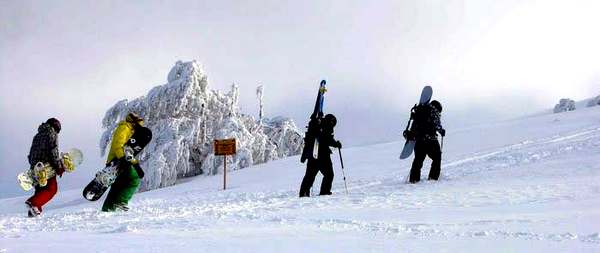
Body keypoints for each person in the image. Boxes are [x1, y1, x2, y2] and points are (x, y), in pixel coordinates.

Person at [101, 112, 145, 212]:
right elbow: (118, 146)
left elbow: (128, 151)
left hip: (118, 161)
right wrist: (123, 160)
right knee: (134, 179)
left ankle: (107, 210)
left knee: (117, 185)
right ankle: (122, 201)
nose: (139, 127)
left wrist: (136, 164)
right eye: (139, 124)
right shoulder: (124, 128)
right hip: (118, 161)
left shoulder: (129, 131)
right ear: (134, 122)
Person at [25, 118, 66, 217]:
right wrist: (58, 167)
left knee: (40, 190)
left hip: (35, 167)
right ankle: (33, 203)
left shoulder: (37, 136)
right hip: (46, 167)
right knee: (51, 189)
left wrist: (33, 167)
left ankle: (33, 213)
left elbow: (31, 154)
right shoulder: (51, 133)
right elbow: (53, 151)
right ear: (56, 126)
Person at [299, 114, 342, 197]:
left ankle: (303, 193)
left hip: (312, 155)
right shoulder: (326, 125)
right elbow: (327, 139)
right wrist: (337, 144)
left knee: (309, 176)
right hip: (323, 156)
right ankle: (324, 192)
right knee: (329, 175)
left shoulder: (317, 124)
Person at [406, 100, 445, 183]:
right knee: (437, 157)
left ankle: (414, 180)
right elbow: (437, 125)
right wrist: (441, 131)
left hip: (419, 140)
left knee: (418, 160)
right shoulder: (433, 111)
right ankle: (433, 178)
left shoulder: (420, 112)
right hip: (431, 140)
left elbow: (414, 125)